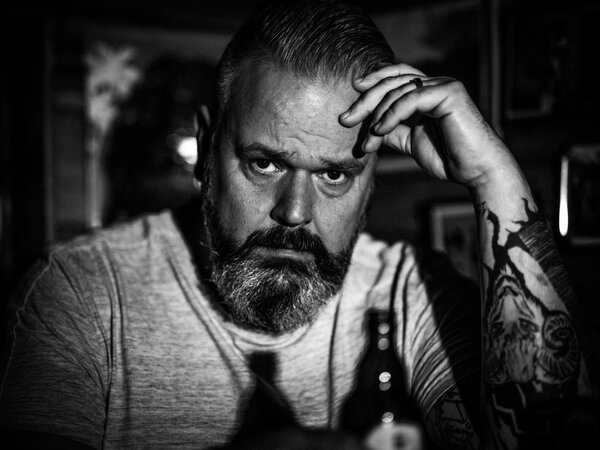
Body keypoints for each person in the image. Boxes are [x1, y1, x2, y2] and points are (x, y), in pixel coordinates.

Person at [0, 1, 596, 449]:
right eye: (264, 163)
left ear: (369, 182)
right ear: (206, 151)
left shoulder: (412, 294)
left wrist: (494, 177)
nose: (294, 212)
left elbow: (542, 437)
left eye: (334, 174)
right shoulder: (79, 294)